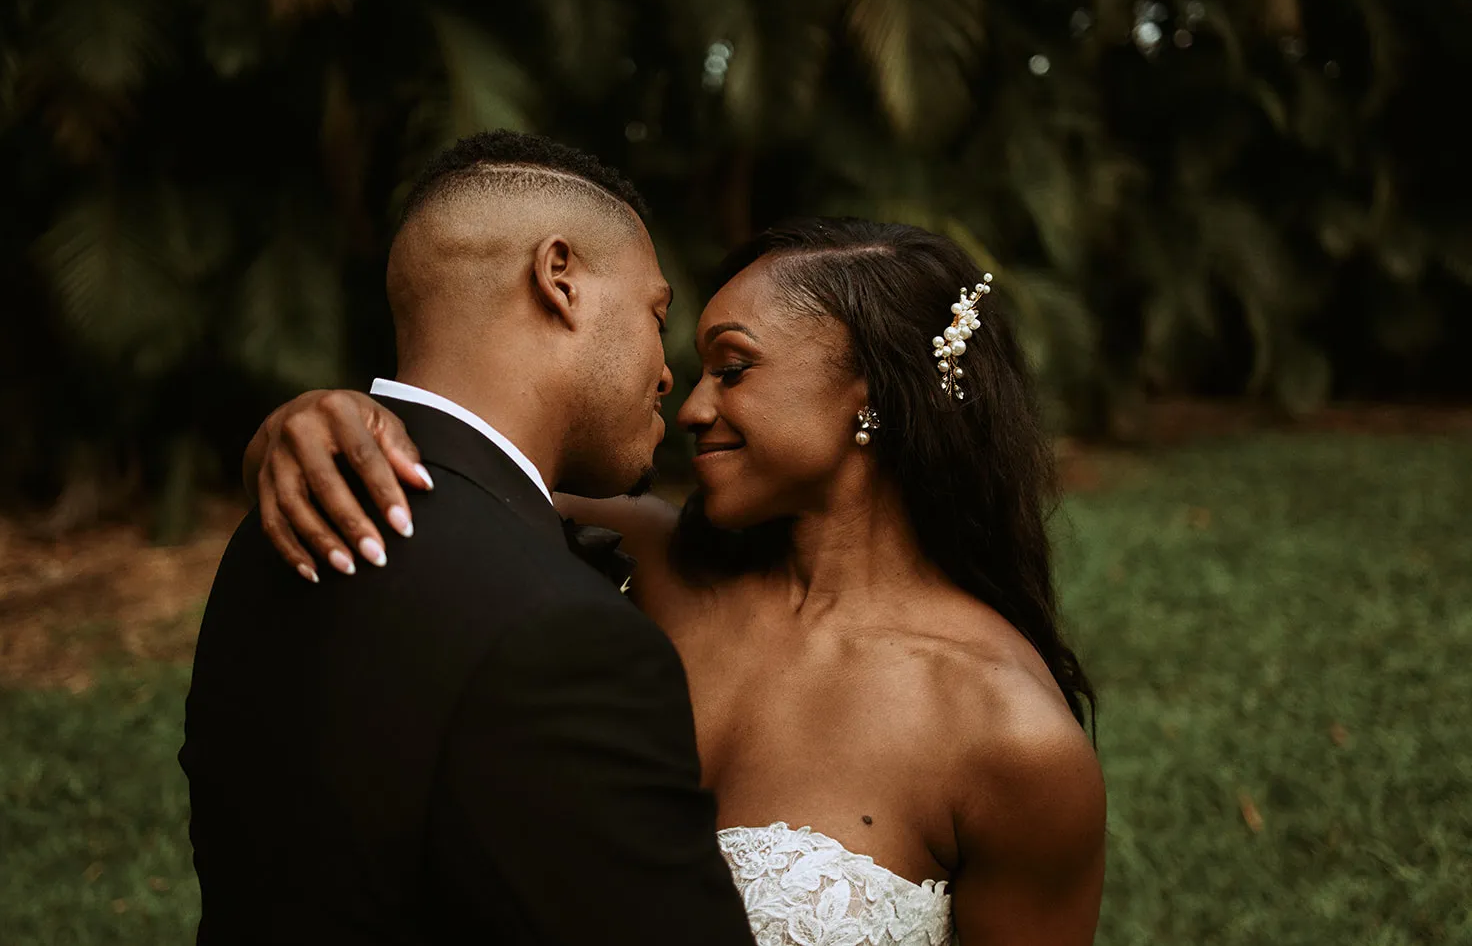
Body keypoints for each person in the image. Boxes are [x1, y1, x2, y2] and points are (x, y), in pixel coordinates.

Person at [249, 216, 1108, 945]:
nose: (691, 407)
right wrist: (297, 428)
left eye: (732, 368)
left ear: (871, 393)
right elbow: (449, 479)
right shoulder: (646, 559)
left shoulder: (1011, 736)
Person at [179, 130, 756, 945]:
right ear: (561, 281)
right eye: (656, 314)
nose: (668, 374)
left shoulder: (275, 525)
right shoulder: (563, 632)